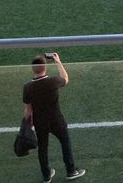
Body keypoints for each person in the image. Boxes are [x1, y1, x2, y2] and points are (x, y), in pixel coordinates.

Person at [23, 53, 86, 182]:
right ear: (45, 67)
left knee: (43, 148)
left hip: (40, 122)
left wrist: (26, 125)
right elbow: (65, 78)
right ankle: (71, 170)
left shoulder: (28, 87)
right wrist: (57, 61)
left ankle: (46, 175)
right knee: (65, 142)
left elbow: (28, 110)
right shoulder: (52, 81)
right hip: (56, 119)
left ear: (32, 69)